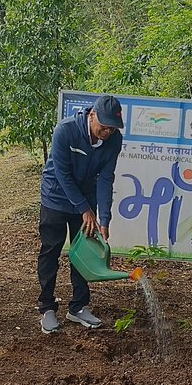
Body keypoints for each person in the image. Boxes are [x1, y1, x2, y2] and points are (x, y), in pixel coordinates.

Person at [37, 95, 124, 333]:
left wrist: (104, 218)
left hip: (86, 199)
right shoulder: (66, 131)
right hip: (56, 196)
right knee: (51, 250)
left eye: (112, 128)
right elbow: (63, 175)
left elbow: (106, 178)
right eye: (103, 126)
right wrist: (85, 209)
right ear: (92, 115)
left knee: (85, 251)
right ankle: (47, 308)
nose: (106, 132)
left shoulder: (114, 140)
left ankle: (78, 307)